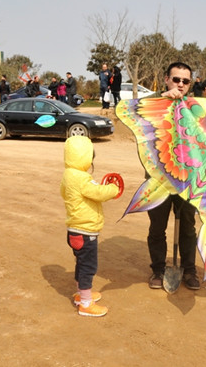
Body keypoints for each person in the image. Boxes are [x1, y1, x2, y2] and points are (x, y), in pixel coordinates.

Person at [147, 62, 201, 291]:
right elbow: (136, 115)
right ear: (166, 79)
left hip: (188, 179)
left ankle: (189, 270)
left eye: (185, 81)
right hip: (158, 178)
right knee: (157, 227)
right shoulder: (152, 104)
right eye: (176, 79)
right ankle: (158, 269)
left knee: (188, 226)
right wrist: (163, 100)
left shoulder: (196, 108)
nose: (180, 84)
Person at [60, 135, 120, 317]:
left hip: (74, 230)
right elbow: (99, 193)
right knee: (88, 267)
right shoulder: (82, 178)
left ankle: (81, 294)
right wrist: (113, 188)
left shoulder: (68, 175)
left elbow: (65, 192)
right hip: (85, 232)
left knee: (81, 264)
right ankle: (86, 304)